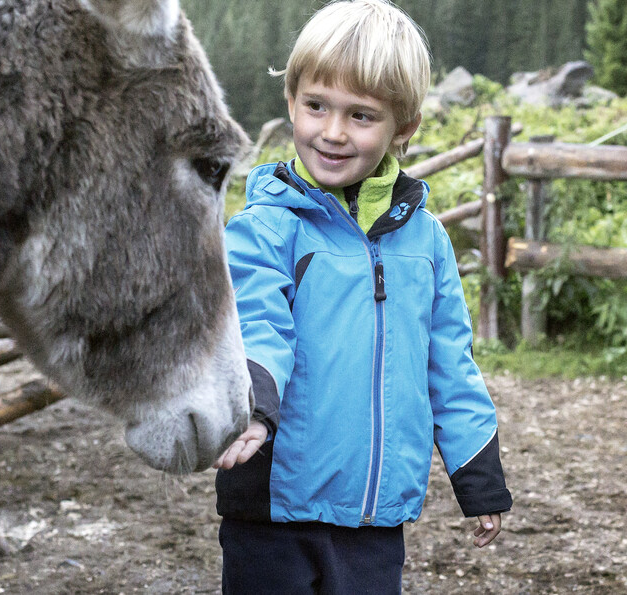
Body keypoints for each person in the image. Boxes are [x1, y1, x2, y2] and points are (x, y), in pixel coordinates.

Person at [213, 1, 512, 593]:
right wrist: (254, 404)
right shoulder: (265, 227)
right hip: (272, 510)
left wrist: (478, 477)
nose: (332, 131)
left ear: (403, 128)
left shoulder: (426, 241)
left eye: (361, 115)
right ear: (290, 101)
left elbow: (449, 362)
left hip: (375, 516)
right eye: (316, 105)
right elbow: (257, 322)